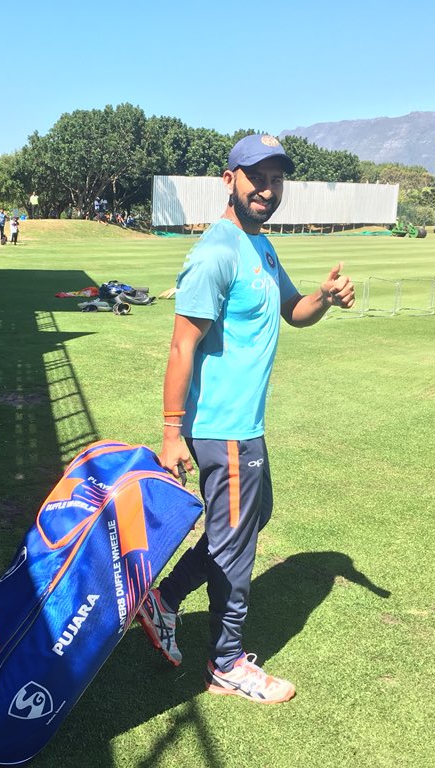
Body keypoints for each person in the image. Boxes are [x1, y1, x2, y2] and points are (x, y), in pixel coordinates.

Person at [135, 134, 356, 704]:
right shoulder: (217, 252)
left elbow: (294, 311)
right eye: (257, 176)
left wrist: (325, 297)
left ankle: (165, 598)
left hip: (244, 427)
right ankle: (227, 664)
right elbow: (182, 346)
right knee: (236, 545)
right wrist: (170, 432)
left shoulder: (260, 246)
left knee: (250, 520)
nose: (268, 188)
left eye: (277, 178)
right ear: (229, 179)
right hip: (222, 428)